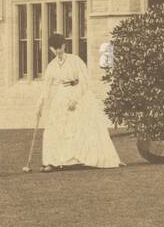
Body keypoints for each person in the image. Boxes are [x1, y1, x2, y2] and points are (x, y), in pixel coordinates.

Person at [36, 33, 122, 171]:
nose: (58, 51)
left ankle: (78, 159)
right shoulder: (51, 66)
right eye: (54, 48)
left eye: (60, 47)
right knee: (56, 128)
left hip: (77, 94)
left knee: (78, 127)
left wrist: (75, 100)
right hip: (60, 96)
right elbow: (46, 86)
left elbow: (84, 81)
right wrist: (39, 105)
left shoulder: (75, 60)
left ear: (64, 46)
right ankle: (54, 161)